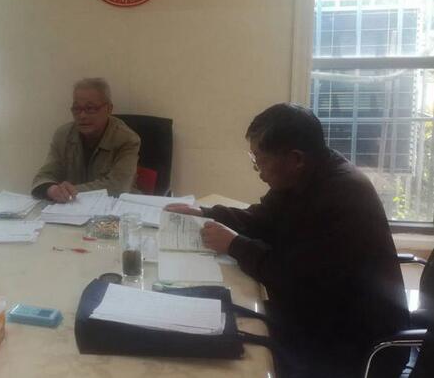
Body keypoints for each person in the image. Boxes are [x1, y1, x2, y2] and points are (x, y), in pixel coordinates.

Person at [167, 103, 409, 378]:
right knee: (218, 315)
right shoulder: (307, 174)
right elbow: (262, 219)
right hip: (319, 313)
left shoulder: (343, 197)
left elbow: (295, 278)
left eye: (260, 160)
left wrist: (234, 244)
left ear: (295, 159)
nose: (257, 170)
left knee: (229, 348)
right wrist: (206, 213)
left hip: (354, 340)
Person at [31, 78, 140, 202]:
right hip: (72, 207)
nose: (82, 115)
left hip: (115, 207)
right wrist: (51, 189)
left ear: (109, 109)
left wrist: (68, 191)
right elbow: (43, 177)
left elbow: (117, 187)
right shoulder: (63, 135)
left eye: (90, 108)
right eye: (77, 109)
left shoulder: (127, 139)